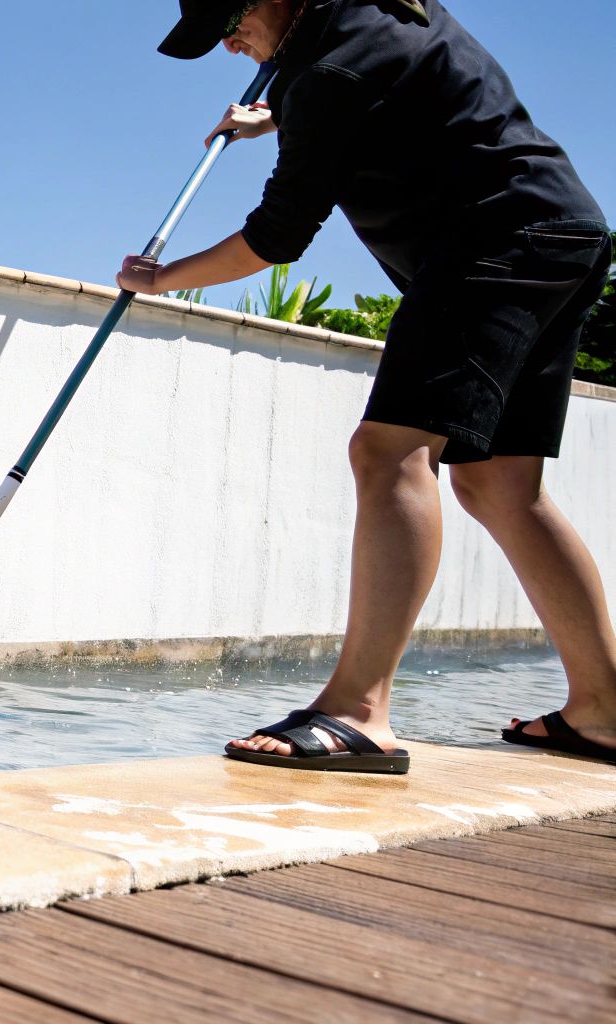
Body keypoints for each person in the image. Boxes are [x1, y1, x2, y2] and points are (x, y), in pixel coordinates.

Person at [119, 0, 614, 772]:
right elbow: (394, 93)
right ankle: (605, 712)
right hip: (560, 230)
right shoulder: (377, 12)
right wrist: (278, 115)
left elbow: (276, 236)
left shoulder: (325, 73)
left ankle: (358, 711)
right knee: (500, 487)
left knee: (387, 453)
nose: (227, 44)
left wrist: (162, 279)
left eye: (231, 18)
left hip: (493, 241)